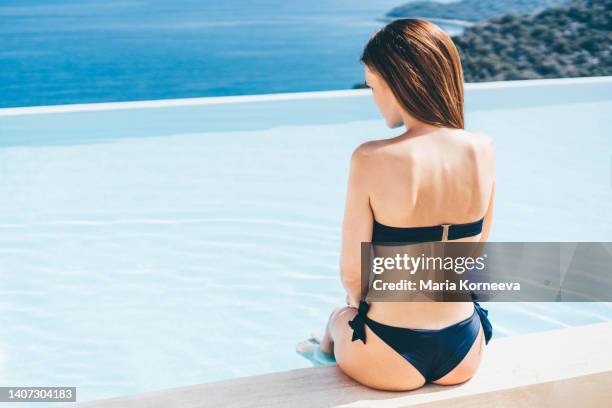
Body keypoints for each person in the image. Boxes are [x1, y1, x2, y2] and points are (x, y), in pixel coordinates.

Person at [318, 18, 496, 391]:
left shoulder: (371, 158)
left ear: (396, 82)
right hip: (464, 347)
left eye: (372, 86)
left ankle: (323, 347)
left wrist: (358, 309)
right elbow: (473, 256)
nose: (373, 96)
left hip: (387, 350)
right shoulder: (482, 148)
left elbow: (353, 276)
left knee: (339, 317)